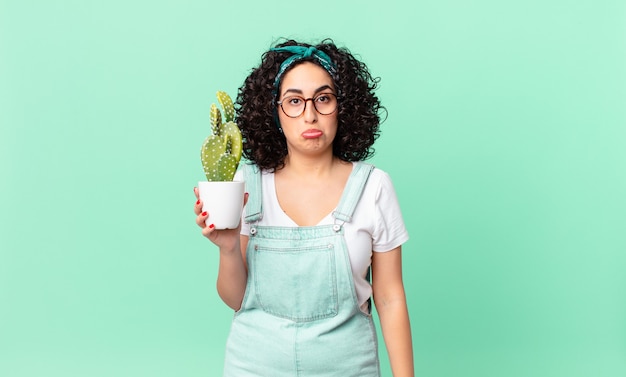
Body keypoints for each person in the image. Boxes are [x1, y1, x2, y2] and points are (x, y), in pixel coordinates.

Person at [193, 39, 414, 377]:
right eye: (294, 101)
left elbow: (389, 297)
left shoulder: (373, 186)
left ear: (344, 107)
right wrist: (226, 249)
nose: (310, 114)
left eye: (323, 99)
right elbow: (238, 299)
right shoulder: (245, 183)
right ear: (274, 112)